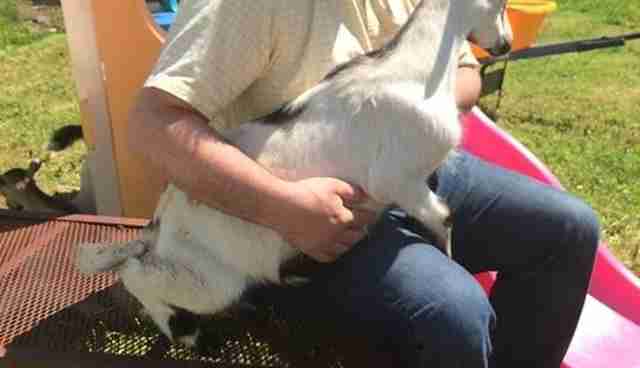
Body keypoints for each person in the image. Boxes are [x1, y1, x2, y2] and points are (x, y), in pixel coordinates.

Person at [128, 1, 600, 367]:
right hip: (296, 214)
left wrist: (404, 106)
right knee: (450, 313)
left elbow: (465, 70)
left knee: (568, 229)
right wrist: (282, 208)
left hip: (409, 169)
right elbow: (153, 122)